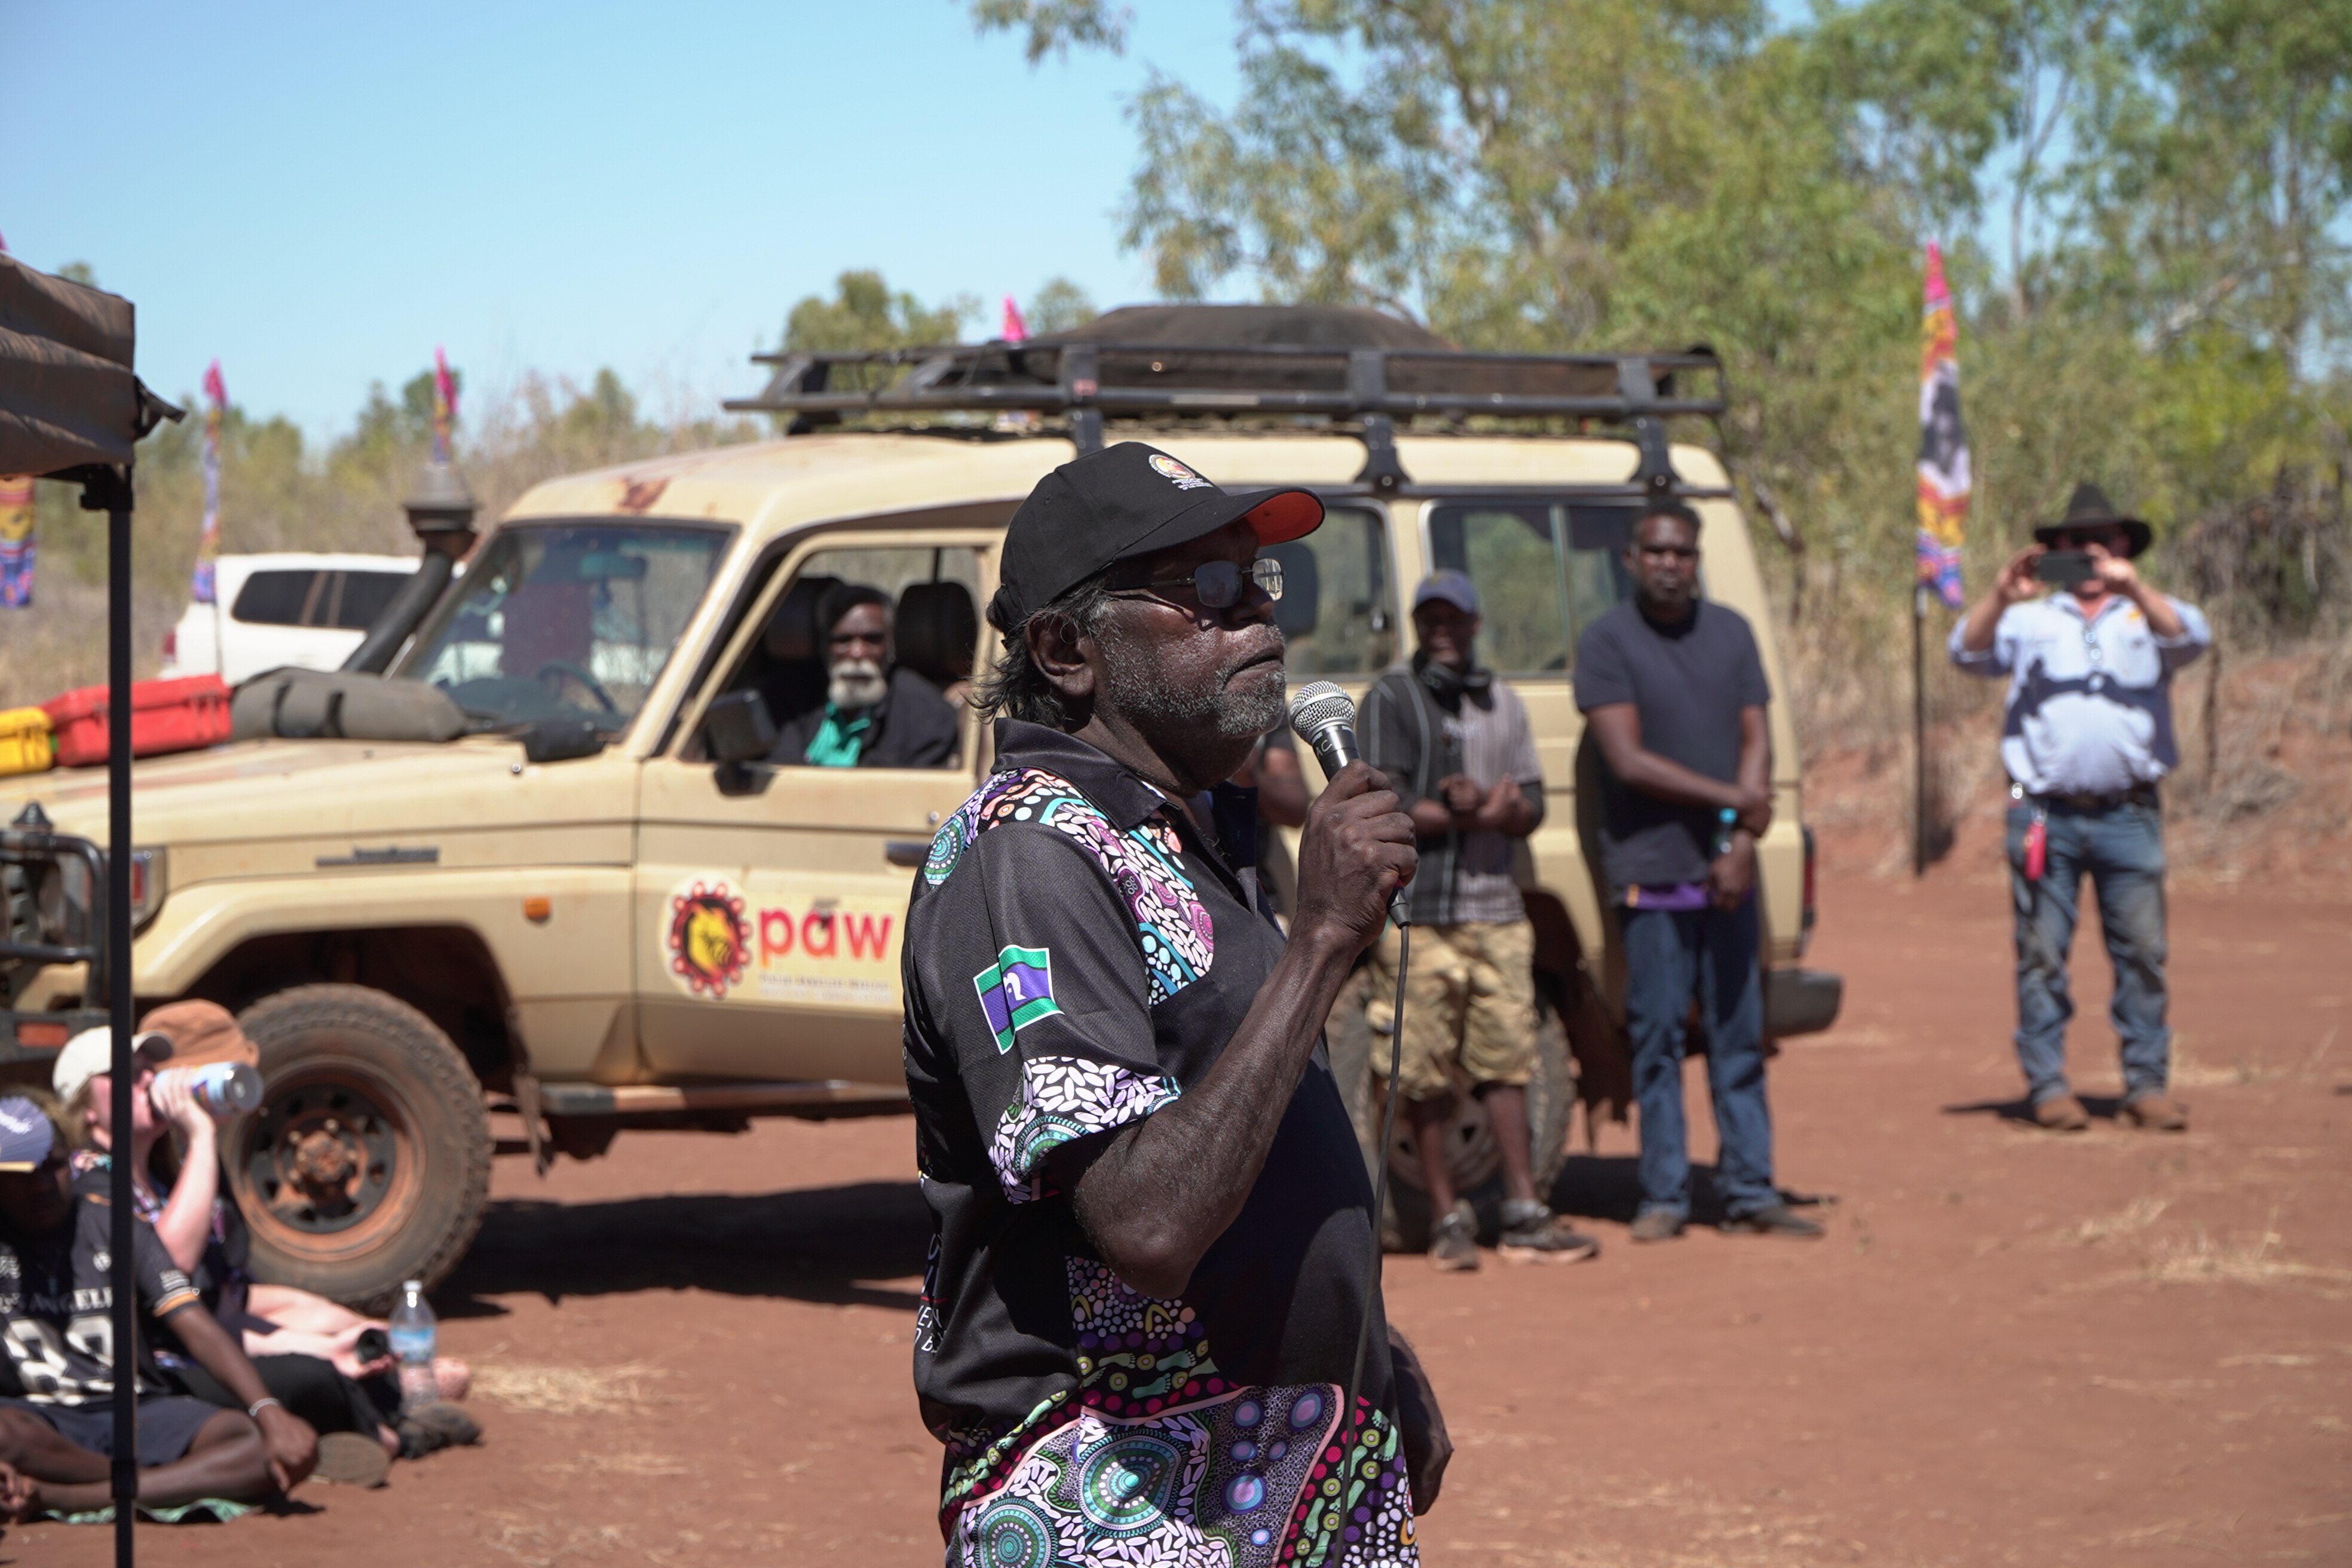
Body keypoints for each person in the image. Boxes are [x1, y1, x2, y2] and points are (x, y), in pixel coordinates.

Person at [902, 442, 1428, 1565]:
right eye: (1210, 591)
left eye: (1263, 584)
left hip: (1282, 1464)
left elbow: (1249, 1140)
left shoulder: (1181, 834)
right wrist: (1322, 941)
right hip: (1116, 1499)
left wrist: (1370, 1355)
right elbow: (1145, 1224)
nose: (1261, 623)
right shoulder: (1029, 853)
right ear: (1064, 647)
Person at [51, 1009, 478, 1481]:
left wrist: (331, 1339)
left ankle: (362, 1427)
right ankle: (393, 1437)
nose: (149, 1082)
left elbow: (227, 1308)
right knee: (310, 1375)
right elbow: (168, 1269)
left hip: (208, 1353)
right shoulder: (89, 1178)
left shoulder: (161, 1177)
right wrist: (200, 1135)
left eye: (149, 1072)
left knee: (345, 1363)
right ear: (84, 1106)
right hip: (153, 1377)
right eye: (125, 1076)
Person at [1575, 498, 1821, 1241]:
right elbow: (1629, 759)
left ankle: (1750, 1189)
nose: (1670, 565)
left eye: (1682, 552)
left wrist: (1739, 840)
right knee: (1655, 1039)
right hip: (1651, 874)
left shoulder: (1732, 633)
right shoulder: (1607, 641)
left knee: (1739, 1036)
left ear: (1697, 556)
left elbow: (1758, 740)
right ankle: (1665, 1196)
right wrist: (1738, 805)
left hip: (1728, 873)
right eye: (1656, 552)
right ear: (1631, 559)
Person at [1950, 483, 2210, 1132]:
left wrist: (2135, 590)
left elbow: (2192, 643)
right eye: (2073, 543)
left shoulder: (2147, 616)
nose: (2089, 552)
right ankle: (2048, 1084)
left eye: (2104, 540)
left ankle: (2146, 1083)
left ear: (2125, 546)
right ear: (2054, 550)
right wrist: (1999, 595)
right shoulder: (2032, 618)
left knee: (2143, 953)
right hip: (2043, 813)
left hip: (2130, 813)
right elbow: (1968, 652)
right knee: (2041, 952)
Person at [1360, 570, 1600, 1270]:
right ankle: (1447, 1218)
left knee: (1508, 1061)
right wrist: (1468, 809)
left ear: (1473, 624)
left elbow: (1531, 802)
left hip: (1497, 907)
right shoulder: (1391, 697)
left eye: (1454, 618)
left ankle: (1524, 1209)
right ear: (1417, 624)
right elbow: (1385, 799)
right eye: (1430, 618)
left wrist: (1492, 811)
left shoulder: (1504, 701)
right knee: (1422, 1073)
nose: (1443, 629)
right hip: (1421, 913)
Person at [0, 1094, 320, 1520]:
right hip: (41, 1423)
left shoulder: (119, 1226)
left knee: (250, 1441)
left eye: (54, 1166)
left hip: (135, 1413)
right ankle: (163, 1481)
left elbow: (191, 1319)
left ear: (73, 1161)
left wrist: (269, 1410)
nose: (41, 1185)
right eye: (23, 1174)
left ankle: (71, 1496)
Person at [773, 583, 961, 768]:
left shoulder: (928, 717)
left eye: (872, 640)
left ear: (890, 642)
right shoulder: (789, 701)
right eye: (843, 640)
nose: (857, 653)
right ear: (824, 645)